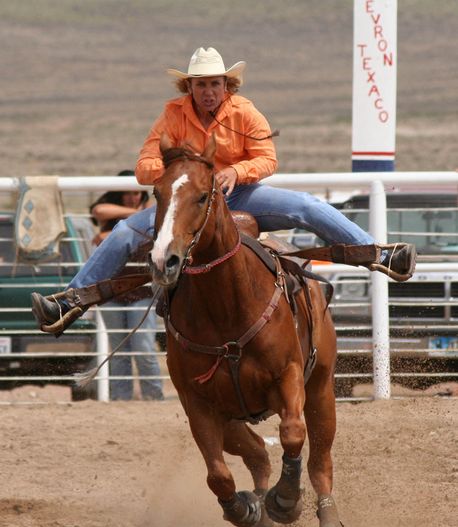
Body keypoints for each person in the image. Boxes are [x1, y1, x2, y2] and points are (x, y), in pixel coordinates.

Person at [31, 47, 416, 331]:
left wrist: (237, 171)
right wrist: (176, 167)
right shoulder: (172, 115)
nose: (208, 91)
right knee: (121, 234)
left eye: (215, 83)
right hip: (187, 202)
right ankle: (70, 301)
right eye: (201, 84)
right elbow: (144, 167)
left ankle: (378, 252)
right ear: (191, 87)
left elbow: (268, 159)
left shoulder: (244, 111)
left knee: (304, 206)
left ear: (226, 85)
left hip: (238, 194)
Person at [90, 171, 164, 401]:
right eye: (127, 193)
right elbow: (99, 211)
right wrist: (137, 214)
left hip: (140, 292)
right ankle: (120, 397)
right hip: (111, 292)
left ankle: (154, 396)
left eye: (136, 193)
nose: (132, 197)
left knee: (143, 348)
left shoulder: (151, 217)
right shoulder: (131, 216)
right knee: (117, 350)